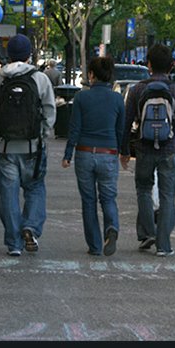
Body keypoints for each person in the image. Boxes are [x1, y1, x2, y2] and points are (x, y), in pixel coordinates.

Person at [0, 34, 56, 256]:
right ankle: (30, 228)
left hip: (6, 147)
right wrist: (42, 135)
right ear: (29, 55)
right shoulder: (40, 78)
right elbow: (49, 111)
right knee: (34, 189)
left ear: (8, 54)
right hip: (33, 146)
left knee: (9, 195)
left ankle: (14, 243)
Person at [120, 43, 175, 257]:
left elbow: (126, 122)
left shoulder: (137, 89)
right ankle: (164, 245)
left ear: (148, 64)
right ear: (171, 65)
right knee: (168, 196)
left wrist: (125, 149)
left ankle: (148, 233)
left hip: (143, 148)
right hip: (170, 149)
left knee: (143, 190)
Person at [62, 56, 125, 256]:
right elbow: (120, 130)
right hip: (108, 153)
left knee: (88, 200)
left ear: (91, 75)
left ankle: (95, 246)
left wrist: (68, 153)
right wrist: (122, 152)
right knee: (108, 197)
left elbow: (74, 128)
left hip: (85, 152)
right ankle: (111, 228)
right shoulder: (117, 99)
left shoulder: (81, 97)